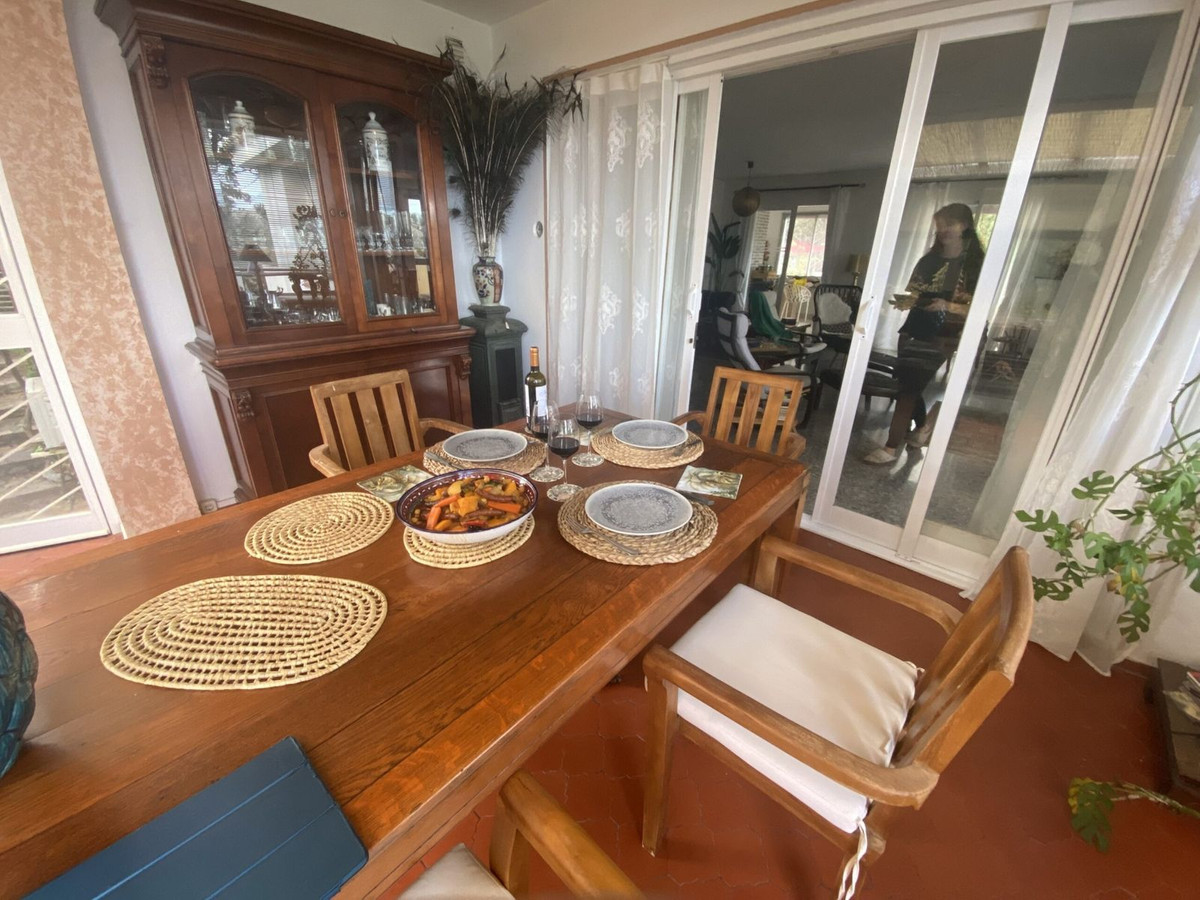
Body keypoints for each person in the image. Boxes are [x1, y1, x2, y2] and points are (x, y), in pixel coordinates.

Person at [863, 203, 985, 464]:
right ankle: (921, 428)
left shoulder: (974, 266)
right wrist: (907, 301)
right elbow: (915, 294)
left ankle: (891, 447)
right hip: (914, 327)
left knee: (909, 387)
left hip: (945, 333)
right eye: (939, 225)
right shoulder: (928, 261)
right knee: (907, 383)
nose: (943, 230)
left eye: (949, 224)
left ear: (964, 226)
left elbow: (980, 307)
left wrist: (948, 305)